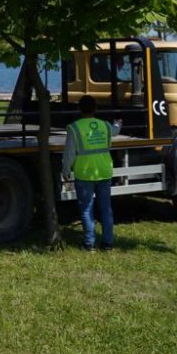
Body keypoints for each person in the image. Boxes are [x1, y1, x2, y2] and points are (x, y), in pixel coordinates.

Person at [62, 95, 116, 252]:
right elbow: (114, 131)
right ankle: (107, 243)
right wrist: (119, 123)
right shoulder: (105, 126)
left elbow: (69, 153)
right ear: (96, 109)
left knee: (86, 209)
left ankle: (89, 243)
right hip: (104, 171)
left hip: (84, 173)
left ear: (79, 109)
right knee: (106, 208)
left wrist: (66, 170)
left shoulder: (74, 128)